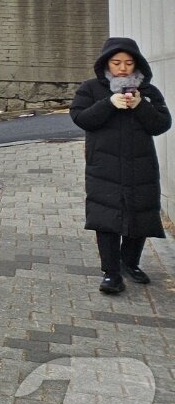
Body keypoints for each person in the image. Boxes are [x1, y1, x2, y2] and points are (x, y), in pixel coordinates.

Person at [69, 37, 170, 295]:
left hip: (141, 166)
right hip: (104, 167)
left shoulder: (147, 91)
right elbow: (80, 117)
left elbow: (162, 124)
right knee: (106, 219)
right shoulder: (91, 89)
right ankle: (111, 273)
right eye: (116, 63)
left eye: (128, 62)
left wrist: (140, 106)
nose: (123, 68)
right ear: (106, 64)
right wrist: (109, 103)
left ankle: (130, 263)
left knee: (140, 215)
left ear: (137, 64)